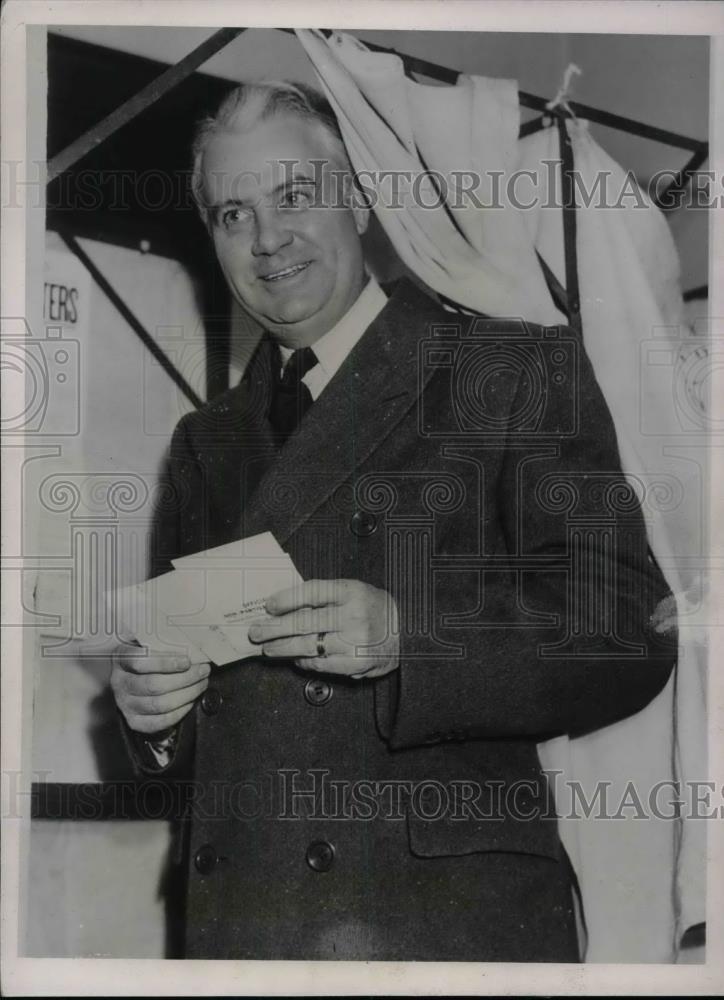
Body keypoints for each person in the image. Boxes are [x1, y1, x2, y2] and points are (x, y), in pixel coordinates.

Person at [111, 80, 676, 962]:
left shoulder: (509, 368)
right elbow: (207, 726)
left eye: (295, 195)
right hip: (243, 933)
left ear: (360, 198)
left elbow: (628, 631)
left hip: (437, 927)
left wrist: (412, 641)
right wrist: (153, 721)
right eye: (233, 213)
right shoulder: (203, 443)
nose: (268, 239)